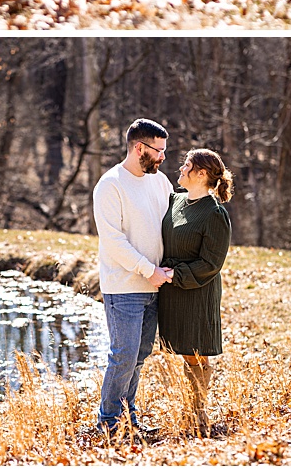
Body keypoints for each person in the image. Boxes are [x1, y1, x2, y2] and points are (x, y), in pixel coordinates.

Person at [93, 119, 175, 441]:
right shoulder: (110, 185)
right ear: (139, 148)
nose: (163, 157)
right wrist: (148, 270)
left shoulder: (160, 182)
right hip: (124, 287)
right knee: (123, 354)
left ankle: (128, 418)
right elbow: (113, 241)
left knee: (139, 356)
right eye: (159, 151)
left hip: (154, 286)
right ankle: (109, 421)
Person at [157, 148, 234, 438]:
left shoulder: (215, 214)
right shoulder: (175, 202)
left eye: (186, 166)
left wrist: (175, 274)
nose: (180, 169)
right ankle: (189, 410)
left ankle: (198, 414)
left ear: (201, 174)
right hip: (172, 289)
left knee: (196, 354)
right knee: (183, 351)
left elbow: (212, 263)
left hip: (197, 290)